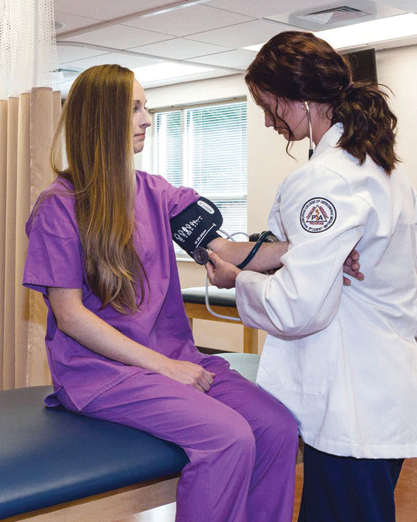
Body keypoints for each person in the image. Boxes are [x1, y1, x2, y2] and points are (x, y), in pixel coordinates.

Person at [23, 63, 301, 522]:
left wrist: (313, 247)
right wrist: (164, 367)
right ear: (101, 117)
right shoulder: (60, 206)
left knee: (276, 427)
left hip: (173, 356)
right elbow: (69, 315)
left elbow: (228, 250)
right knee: (229, 436)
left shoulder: (157, 193)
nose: (147, 118)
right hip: (99, 373)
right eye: (135, 108)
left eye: (146, 107)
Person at [206, 31, 417, 522]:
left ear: (295, 98)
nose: (267, 119)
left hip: (350, 400)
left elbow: (298, 306)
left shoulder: (325, 178)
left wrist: (240, 281)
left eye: (267, 104)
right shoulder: (381, 167)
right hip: (377, 391)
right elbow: (308, 255)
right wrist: (301, 258)